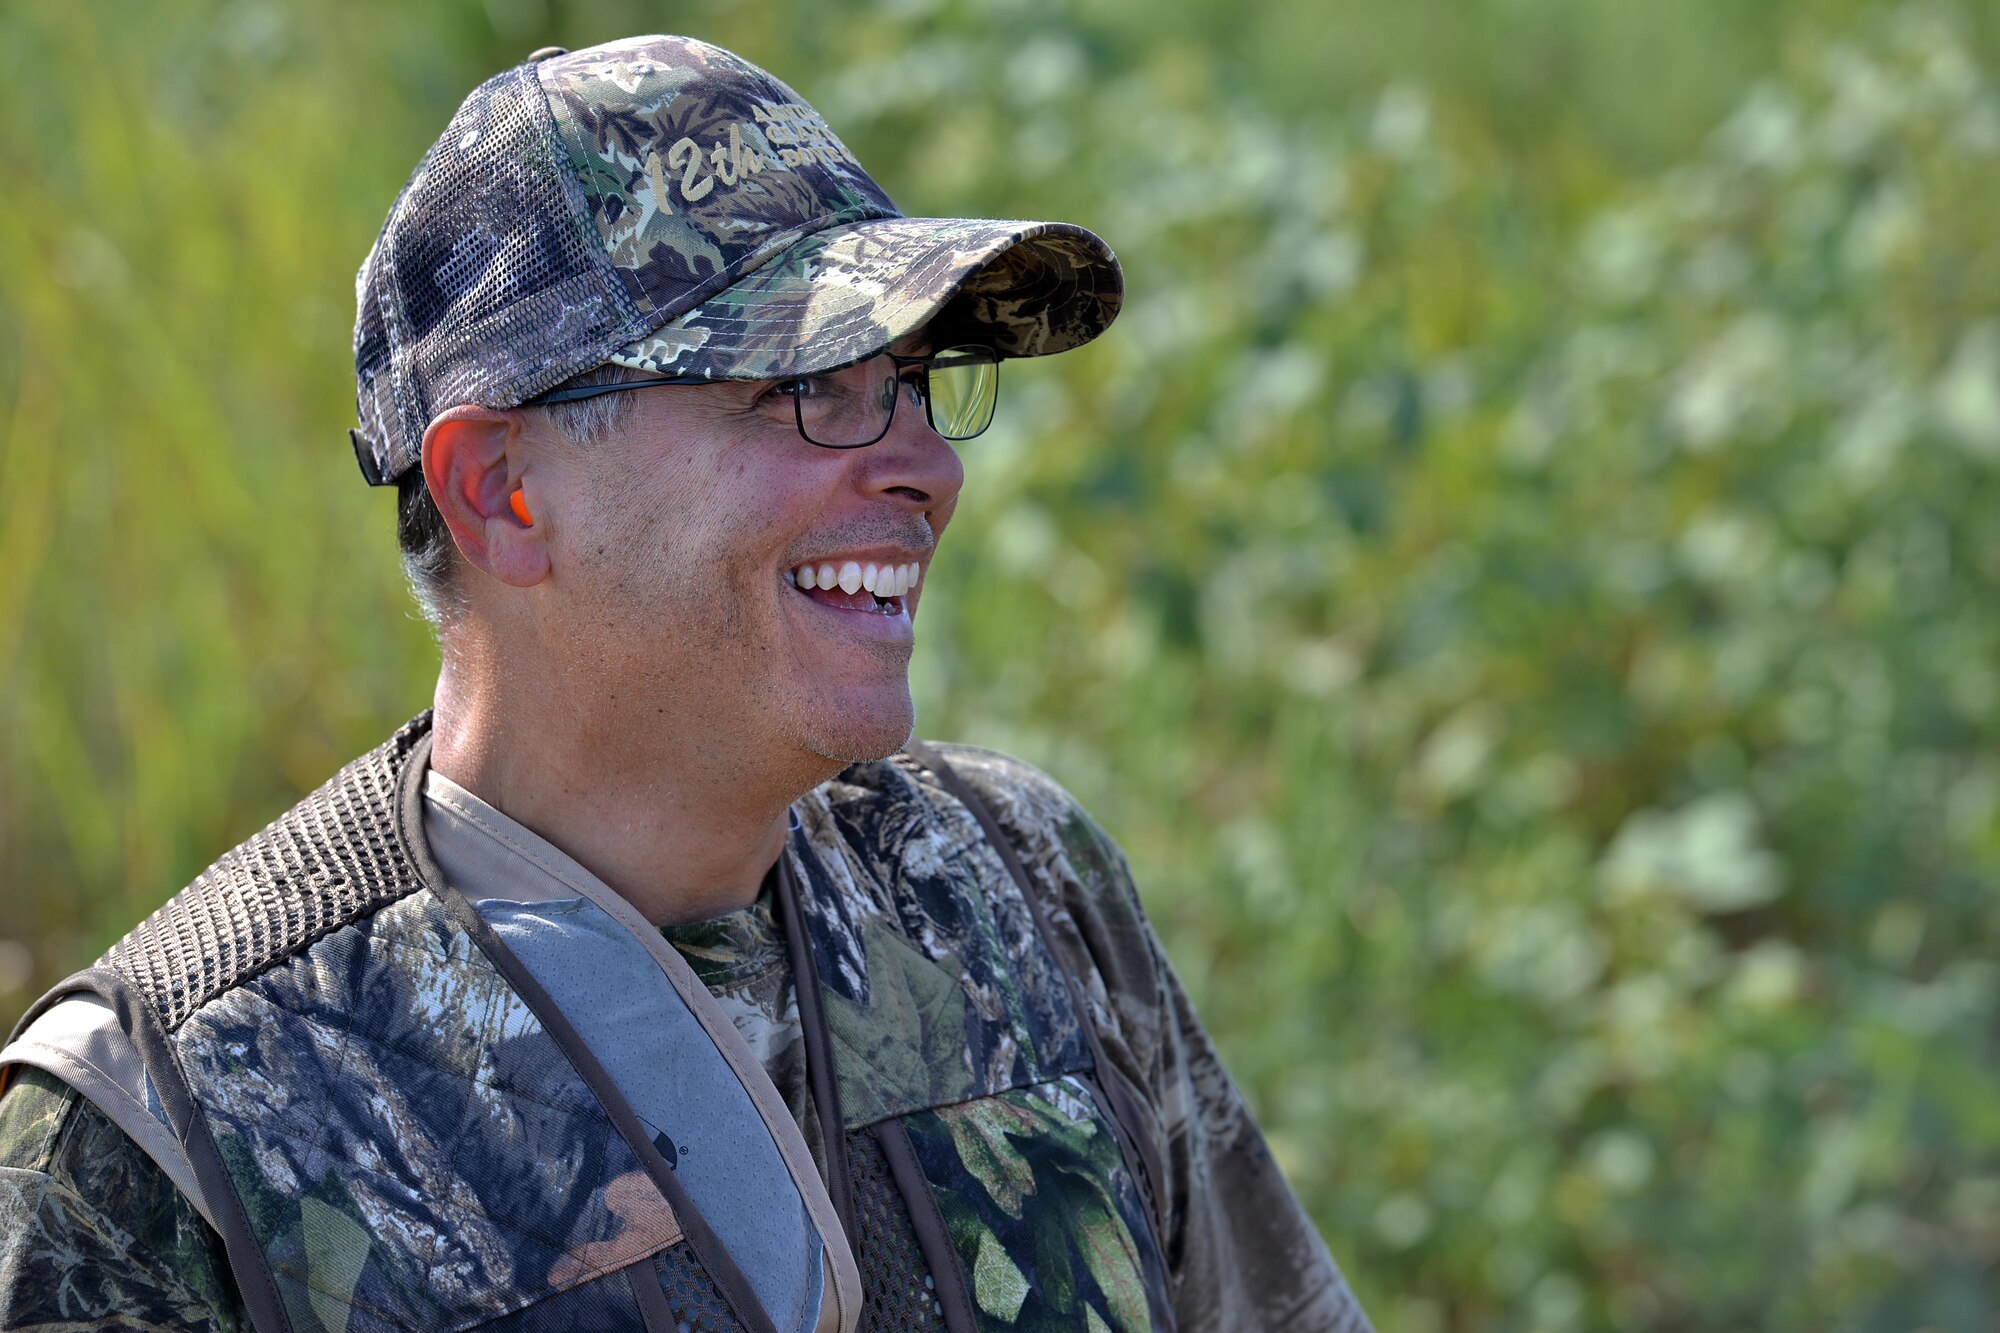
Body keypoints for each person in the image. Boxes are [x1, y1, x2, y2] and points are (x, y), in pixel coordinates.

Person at [0, 35, 1369, 1333]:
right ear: (505, 492)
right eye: (810, 385)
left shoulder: (1018, 892)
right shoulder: (166, 1133)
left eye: (910, 383)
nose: (925, 469)